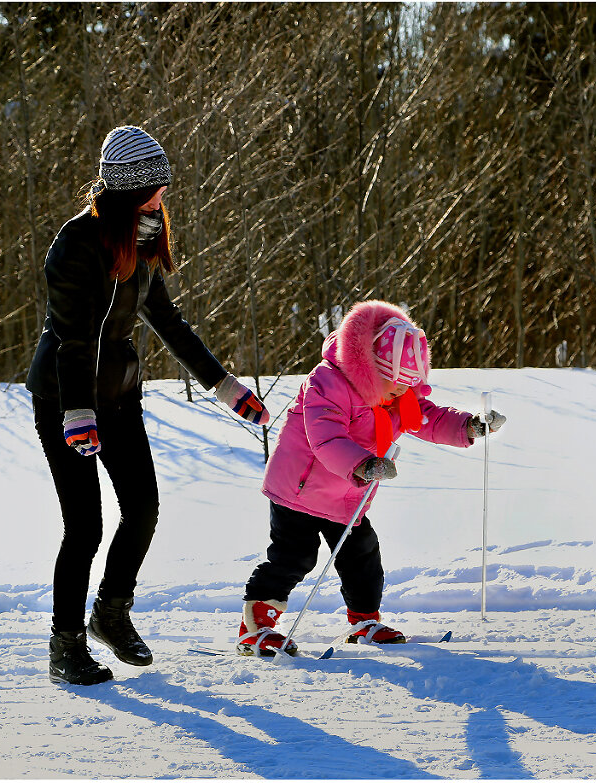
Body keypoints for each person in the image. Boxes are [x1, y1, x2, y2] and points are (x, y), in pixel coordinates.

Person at [27, 125, 270, 685]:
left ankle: (110, 613)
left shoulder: (141, 237)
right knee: (84, 525)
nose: (163, 200)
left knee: (143, 507)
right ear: (126, 192)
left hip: (118, 395)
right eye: (153, 191)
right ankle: (65, 644)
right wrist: (78, 415)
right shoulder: (74, 245)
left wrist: (226, 387)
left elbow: (168, 322)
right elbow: (71, 339)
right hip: (67, 398)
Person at [236, 299, 505, 655]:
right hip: (299, 491)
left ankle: (364, 620)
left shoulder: (396, 394)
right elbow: (326, 437)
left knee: (362, 554)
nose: (401, 394)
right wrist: (363, 464)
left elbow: (429, 418)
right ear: (371, 370)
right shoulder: (327, 382)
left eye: (408, 387)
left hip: (348, 495)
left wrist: (469, 426)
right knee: (294, 557)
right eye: (396, 386)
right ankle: (256, 625)